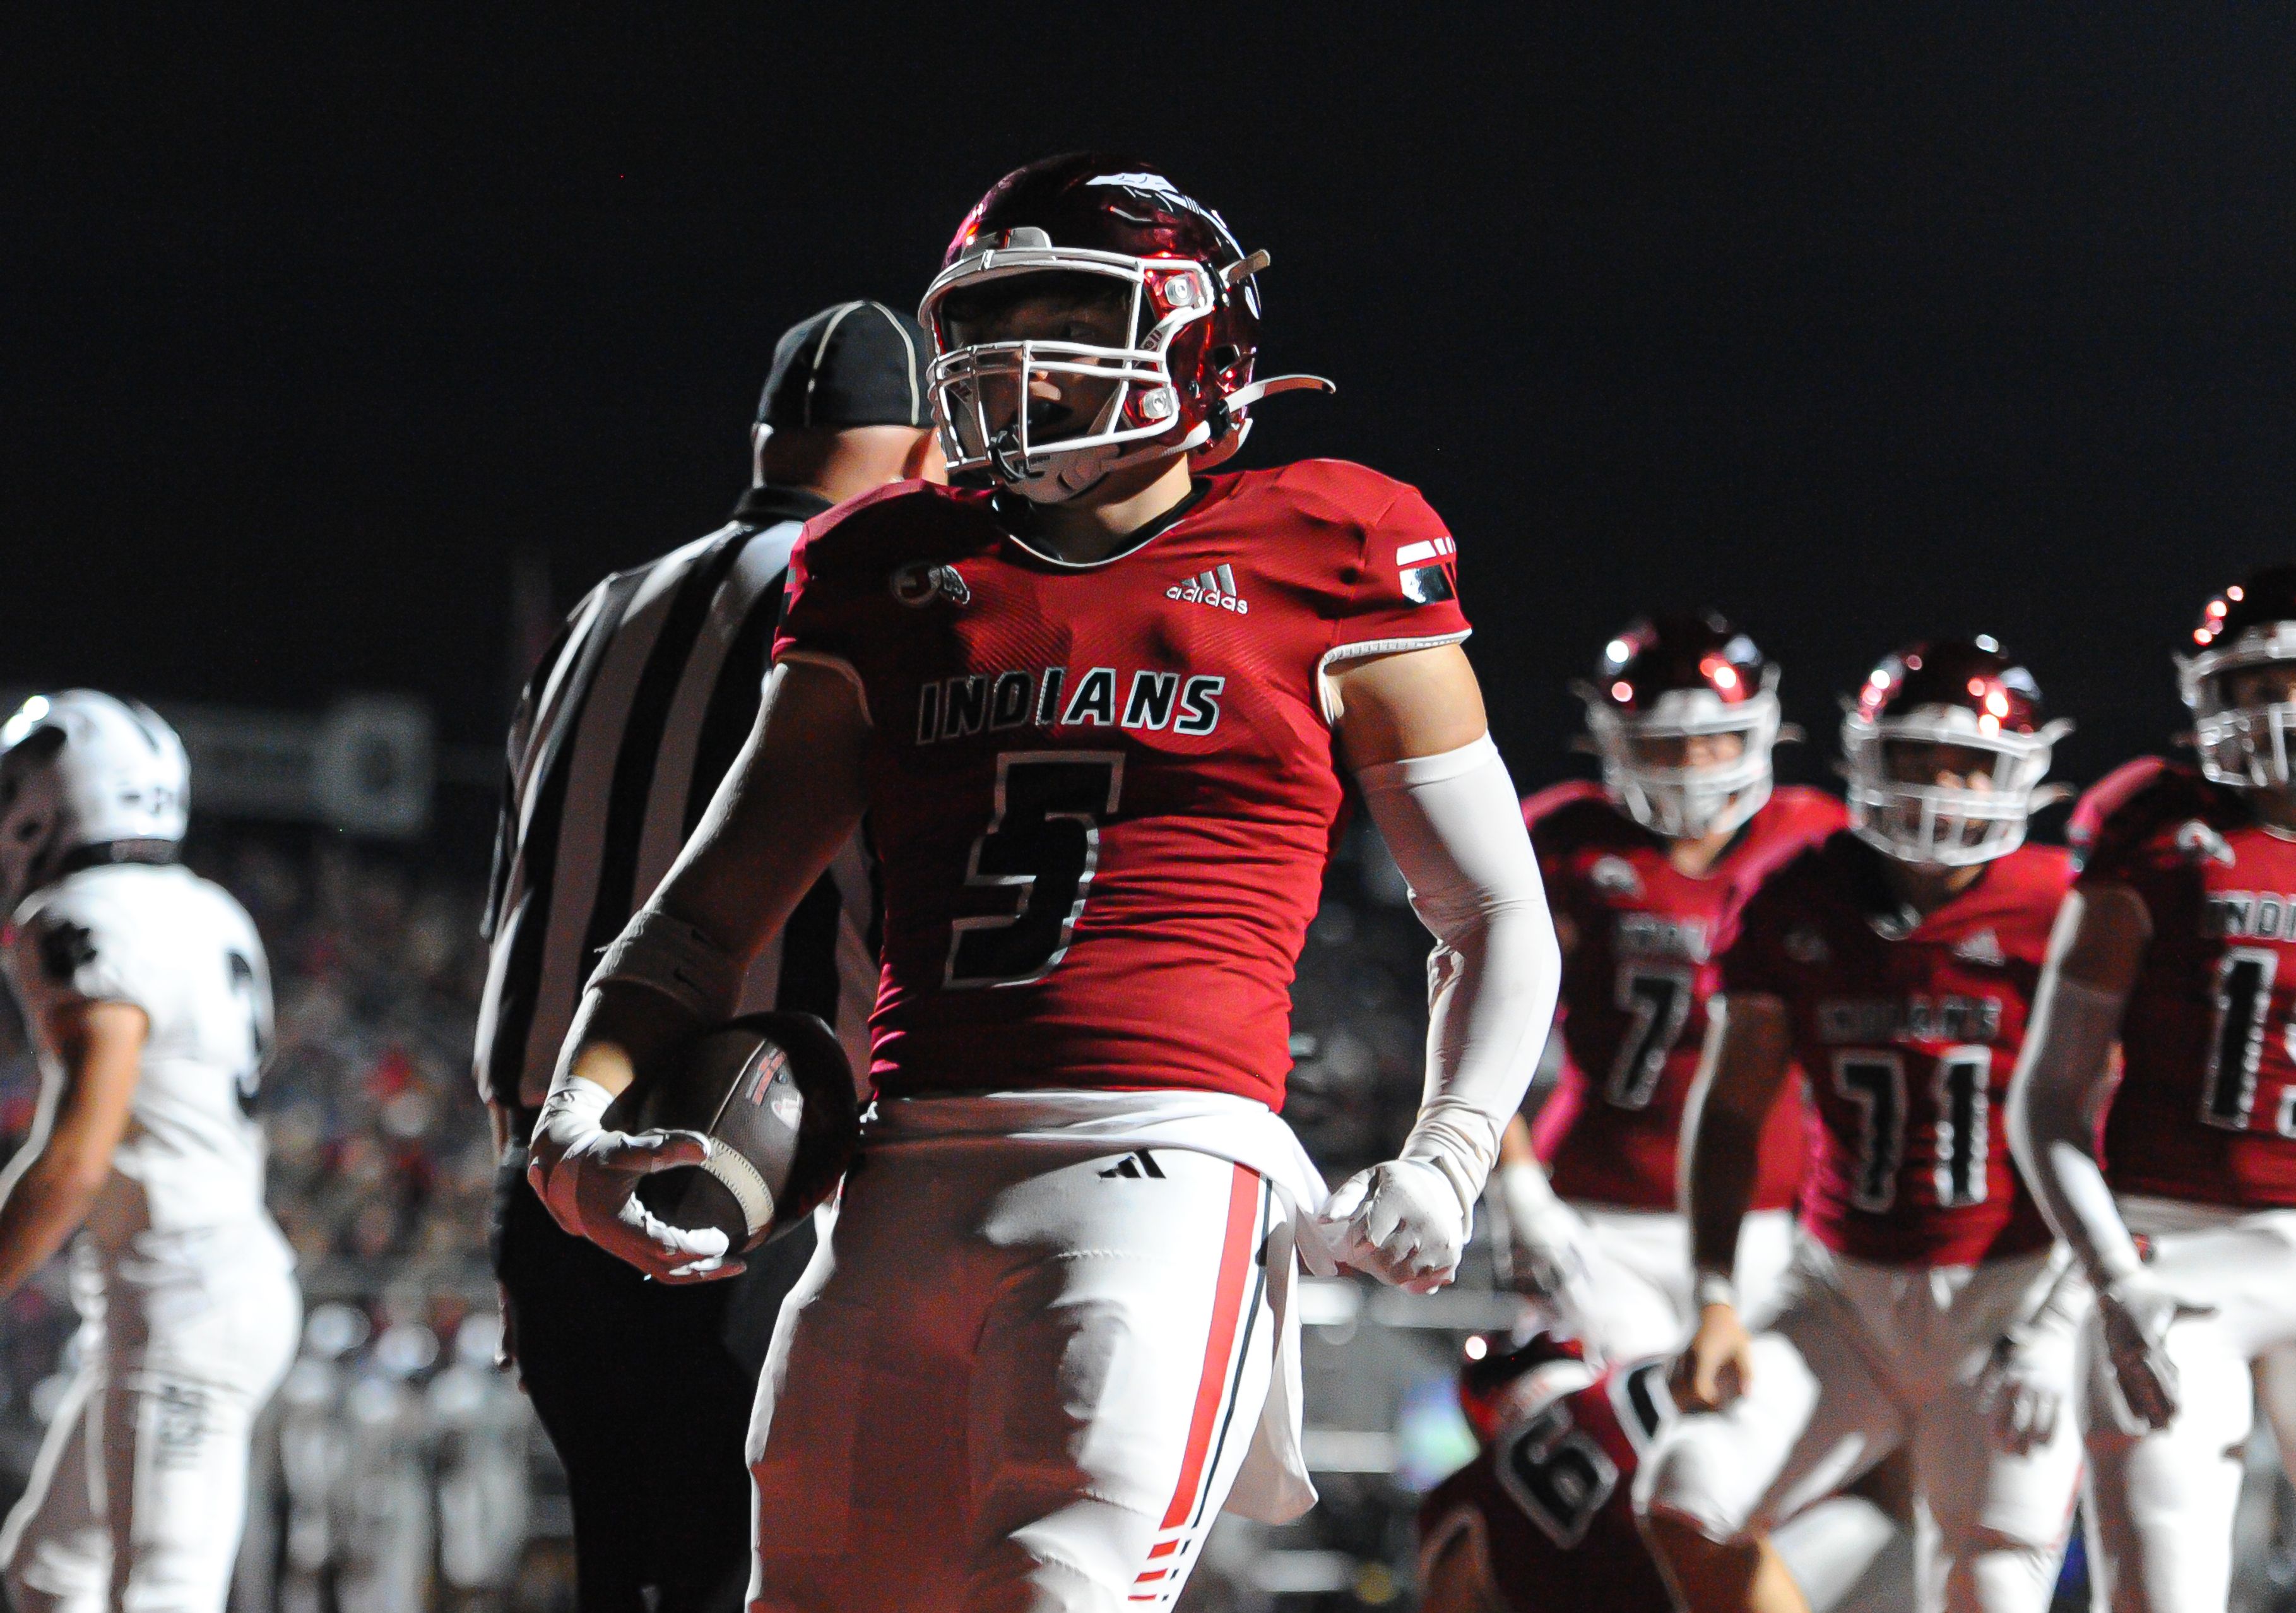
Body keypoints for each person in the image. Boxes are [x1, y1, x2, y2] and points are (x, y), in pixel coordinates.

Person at [530, 153, 1561, 1612]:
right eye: (985, 320)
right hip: (898, 1173)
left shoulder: (1326, 540)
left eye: (1059, 313)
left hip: (1165, 1159)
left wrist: (1450, 1151)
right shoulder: (883, 567)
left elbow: (1490, 908)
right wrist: (574, 1116)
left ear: (1193, 327)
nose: (1011, 362)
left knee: (1057, 1594)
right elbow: (703, 914)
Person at [475, 301, 934, 1613]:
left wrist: (524, 1193)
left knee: (624, 1564)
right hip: (752, 1179)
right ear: (914, 454)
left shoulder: (593, 611)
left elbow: (522, 913)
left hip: (555, 1170)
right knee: (784, 1572)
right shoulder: (867, 600)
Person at [2007, 557, 2296, 1613]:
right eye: (2256, 683)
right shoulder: (2150, 824)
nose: (2289, 705)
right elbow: (2048, 1100)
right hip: (2170, 1262)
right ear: (2207, 694)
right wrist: (2110, 1274)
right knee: (2162, 1593)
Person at [1638, 638, 2086, 1613]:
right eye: (1916, 761)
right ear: (1864, 760)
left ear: (2023, 770)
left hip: (2011, 1293)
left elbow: (2121, 1140)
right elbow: (1729, 1109)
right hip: (1840, 1288)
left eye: (1967, 763)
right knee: (1686, 1495)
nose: (1940, 788)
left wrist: (2060, 1324)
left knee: (1990, 1582)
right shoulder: (1799, 893)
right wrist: (1715, 1291)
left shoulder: (2061, 906)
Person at [0, 692, 302, 1610]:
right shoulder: (206, 906)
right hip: (198, 1282)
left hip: (183, 1297)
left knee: (162, 1591)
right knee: (49, 1573)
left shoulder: (79, 913)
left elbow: (75, 1156)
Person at [1496, 611, 1840, 1362]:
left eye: (1714, 737)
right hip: (1597, 1208)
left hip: (1774, 1215)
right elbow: (1480, 1019)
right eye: (1666, 742)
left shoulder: (1817, 842)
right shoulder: (1565, 839)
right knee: (1617, 1428)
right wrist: (1515, 1181)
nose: (1694, 762)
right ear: (1616, 740)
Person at [1418, 1335, 1903, 1613]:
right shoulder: (1647, 1367)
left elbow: (1450, 1600)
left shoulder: (1469, 1493)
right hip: (1798, 1557)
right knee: (1873, 1526)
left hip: (1690, 1581)